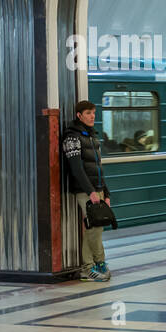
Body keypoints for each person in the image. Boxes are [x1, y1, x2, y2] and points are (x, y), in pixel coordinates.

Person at [63, 99, 112, 282]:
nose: (92, 116)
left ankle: (91, 266)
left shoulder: (92, 136)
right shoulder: (72, 138)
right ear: (79, 115)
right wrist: (90, 191)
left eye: (93, 112)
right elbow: (76, 169)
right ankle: (92, 265)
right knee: (95, 227)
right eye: (88, 113)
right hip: (85, 190)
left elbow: (98, 167)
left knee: (94, 227)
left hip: (97, 188)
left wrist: (105, 193)